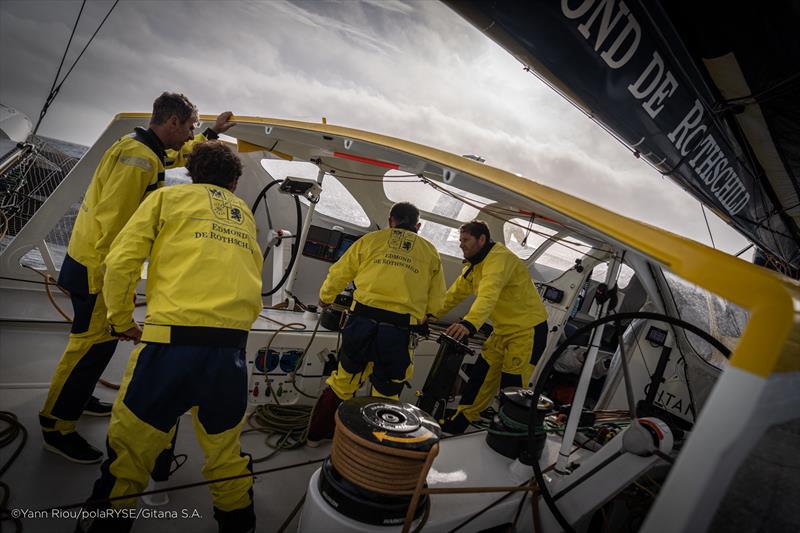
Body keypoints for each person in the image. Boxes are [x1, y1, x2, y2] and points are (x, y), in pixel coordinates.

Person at [39, 92, 235, 463]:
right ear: (172, 122)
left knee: (98, 345)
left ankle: (77, 400)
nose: (190, 133)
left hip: (87, 260)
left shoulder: (141, 146)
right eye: (191, 126)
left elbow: (178, 155)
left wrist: (210, 133)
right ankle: (56, 426)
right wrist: (114, 289)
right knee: (87, 347)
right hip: (97, 268)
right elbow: (110, 229)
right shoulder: (139, 161)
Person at [79, 141, 262, 533]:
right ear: (233, 182)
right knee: (226, 456)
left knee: (128, 457)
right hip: (229, 356)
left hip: (168, 349)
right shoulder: (243, 214)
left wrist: (121, 320)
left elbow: (121, 261)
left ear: (193, 173)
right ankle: (240, 526)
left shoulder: (166, 200)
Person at [307, 202, 446, 446]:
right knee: (386, 393)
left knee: (342, 383)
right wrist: (427, 314)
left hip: (361, 323)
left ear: (391, 221)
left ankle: (315, 437)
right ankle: (370, 448)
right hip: (398, 333)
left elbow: (339, 273)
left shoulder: (370, 240)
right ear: (418, 226)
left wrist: (325, 298)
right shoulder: (430, 252)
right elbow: (437, 301)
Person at [434, 220, 548, 434]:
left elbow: (489, 294)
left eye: (466, 240)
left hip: (527, 331)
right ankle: (459, 423)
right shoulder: (475, 265)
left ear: (482, 239)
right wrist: (428, 314)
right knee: (480, 377)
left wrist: (469, 323)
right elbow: (453, 295)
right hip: (502, 331)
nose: (461, 245)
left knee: (512, 388)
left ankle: (507, 433)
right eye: (460, 240)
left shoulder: (498, 259)